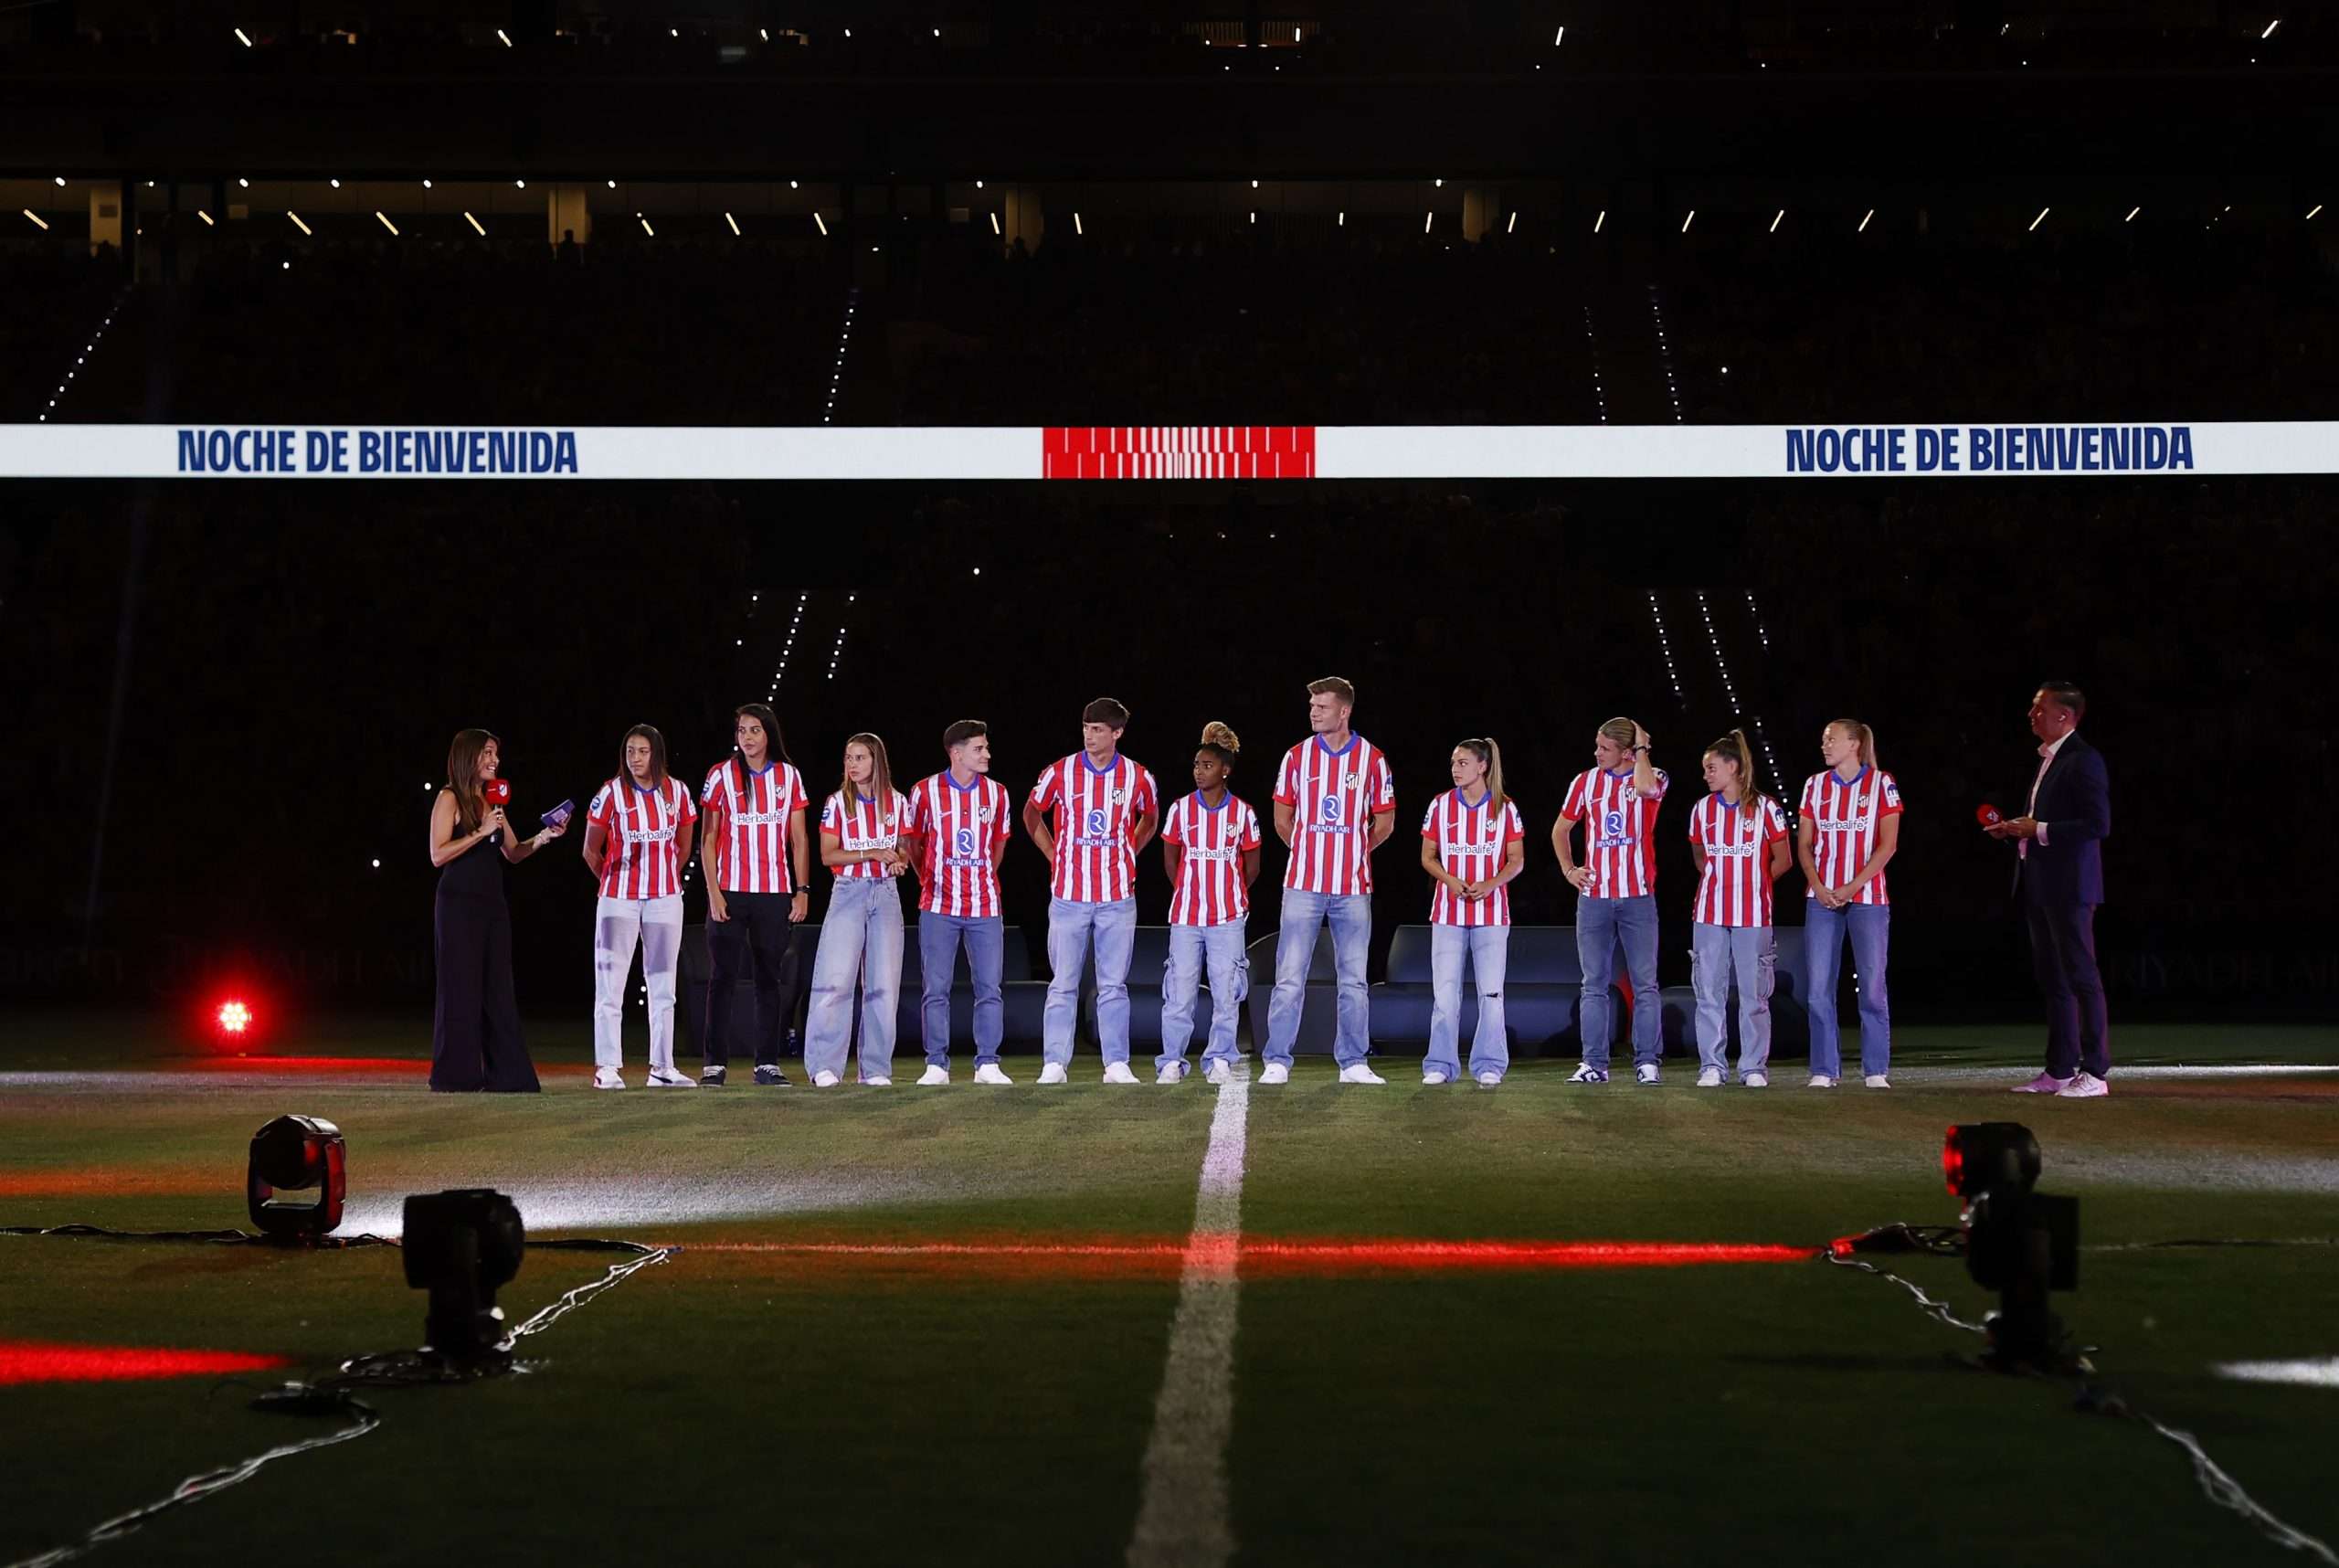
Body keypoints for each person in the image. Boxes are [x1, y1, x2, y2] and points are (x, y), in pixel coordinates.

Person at [1263, 677, 1398, 1086]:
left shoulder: (1372, 759)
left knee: (1354, 978)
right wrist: (1309, 851)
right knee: (1289, 976)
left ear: (1344, 711)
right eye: (1311, 706)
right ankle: (1277, 1060)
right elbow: (1282, 819)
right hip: (1302, 884)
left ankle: (1353, 1061)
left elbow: (1386, 822)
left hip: (1353, 888)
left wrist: (1353, 851)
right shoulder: (1296, 757)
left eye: (1321, 707)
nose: (1313, 712)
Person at [1985, 682, 2112, 1097]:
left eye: (2040, 708)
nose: (2031, 715)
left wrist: (2036, 828)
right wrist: (2015, 830)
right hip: (2042, 885)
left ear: (2065, 716)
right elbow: (2048, 823)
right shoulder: (2050, 760)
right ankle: (2059, 1069)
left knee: (2081, 976)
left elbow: (2098, 824)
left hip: (2071, 887)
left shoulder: (2083, 760)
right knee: (2054, 979)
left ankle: (2095, 1071)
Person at [1024, 698, 1159, 1085]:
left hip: (1117, 896)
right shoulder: (1060, 772)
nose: (1089, 735)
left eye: (1098, 729)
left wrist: (1129, 851)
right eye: (1086, 727)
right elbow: (1032, 813)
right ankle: (1055, 1063)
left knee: (1114, 985)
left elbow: (1150, 817)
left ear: (1117, 733)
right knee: (1063, 982)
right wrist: (1054, 854)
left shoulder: (1137, 776)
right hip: (1069, 894)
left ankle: (1116, 1062)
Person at [428, 728, 566, 1092]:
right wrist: (479, 831)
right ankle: (456, 1076)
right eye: (488, 753)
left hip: (492, 906)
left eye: (496, 755)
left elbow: (514, 852)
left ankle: (508, 1076)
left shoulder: (491, 801)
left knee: (497, 988)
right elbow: (438, 854)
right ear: (468, 756)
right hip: (458, 905)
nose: (495, 760)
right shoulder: (449, 797)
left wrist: (544, 836)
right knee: (460, 988)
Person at [698, 703, 810, 1087]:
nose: (747, 737)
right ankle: (714, 1064)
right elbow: (707, 838)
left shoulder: (789, 776)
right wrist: (713, 892)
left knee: (768, 978)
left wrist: (802, 891)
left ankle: (767, 1063)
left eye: (754, 730)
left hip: (774, 892)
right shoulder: (720, 775)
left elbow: (799, 839)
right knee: (722, 978)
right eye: (742, 730)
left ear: (768, 734)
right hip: (729, 890)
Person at [1553, 716, 1669, 1085]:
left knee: (1645, 982)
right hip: (1595, 899)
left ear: (1624, 751)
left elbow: (1648, 787)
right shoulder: (1585, 782)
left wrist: (1641, 749)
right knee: (1594, 983)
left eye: (1605, 748)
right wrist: (1570, 870)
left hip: (1637, 896)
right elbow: (1561, 829)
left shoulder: (1652, 776)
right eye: (1597, 746)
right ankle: (1594, 1063)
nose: (1597, 753)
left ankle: (1647, 1061)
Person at [581, 724, 698, 1089]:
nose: (635, 758)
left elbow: (683, 844)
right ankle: (608, 1067)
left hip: (665, 898)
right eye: (630, 751)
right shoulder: (610, 794)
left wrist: (662, 879)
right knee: (611, 983)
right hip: (619, 899)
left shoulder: (676, 792)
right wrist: (615, 883)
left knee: (663, 984)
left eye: (642, 751)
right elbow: (590, 850)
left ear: (656, 754)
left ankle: (662, 1068)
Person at [905, 720, 1016, 1086]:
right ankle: (936, 1063)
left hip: (985, 906)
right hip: (938, 905)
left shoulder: (998, 794)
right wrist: (930, 879)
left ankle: (988, 1063)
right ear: (956, 753)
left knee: (990, 988)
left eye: (986, 748)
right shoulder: (924, 792)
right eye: (979, 749)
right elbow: (915, 845)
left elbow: (998, 845)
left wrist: (980, 876)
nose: (987, 754)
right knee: (936, 989)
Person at [802, 733, 913, 1086]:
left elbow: (904, 849)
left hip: (886, 894)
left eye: (860, 758)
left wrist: (899, 862)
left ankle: (876, 1069)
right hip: (848, 891)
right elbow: (827, 855)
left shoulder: (897, 802)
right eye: (848, 758)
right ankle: (824, 1066)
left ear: (876, 761)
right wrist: (872, 854)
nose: (852, 765)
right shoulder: (837, 803)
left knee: (883, 984)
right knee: (835, 981)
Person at [1797, 719, 1902, 1089]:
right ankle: (1824, 1069)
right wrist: (1819, 885)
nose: (1825, 744)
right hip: (1821, 899)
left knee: (1872, 986)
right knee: (1818, 988)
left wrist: (1852, 886)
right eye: (1824, 738)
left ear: (1854, 744)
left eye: (1832, 739)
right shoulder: (1814, 785)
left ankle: (1875, 1069)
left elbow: (1887, 845)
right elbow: (1805, 845)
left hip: (1868, 899)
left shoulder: (1881, 784)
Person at [1157, 723, 1262, 1086]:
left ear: (1225, 770)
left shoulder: (1244, 814)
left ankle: (1220, 1057)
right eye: (1196, 765)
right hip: (1186, 917)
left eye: (1206, 765)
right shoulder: (1180, 809)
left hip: (1228, 918)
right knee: (1179, 991)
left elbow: (1252, 866)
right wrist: (1190, 890)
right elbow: (1171, 860)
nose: (1199, 771)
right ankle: (1171, 1060)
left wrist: (1227, 894)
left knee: (1226, 991)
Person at [1419, 738, 1527, 1087]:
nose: (1455, 768)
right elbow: (1428, 856)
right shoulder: (1440, 806)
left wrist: (1491, 883)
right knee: (1445, 994)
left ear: (1482, 766)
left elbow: (1516, 860)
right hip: (1447, 914)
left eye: (1463, 762)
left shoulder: (1505, 808)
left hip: (1491, 915)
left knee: (1491, 994)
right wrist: (1450, 880)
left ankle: (1490, 1064)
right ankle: (1440, 1064)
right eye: (1453, 762)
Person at [1688, 731, 1792, 1088]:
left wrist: (1754, 886)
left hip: (1753, 916)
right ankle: (1712, 1066)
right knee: (1709, 994)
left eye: (1711, 767)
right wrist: (1721, 881)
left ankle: (1752, 1068)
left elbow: (1783, 859)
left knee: (1754, 996)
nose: (1706, 774)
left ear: (1733, 767)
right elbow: (1700, 855)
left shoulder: (1767, 808)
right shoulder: (1701, 809)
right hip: (1710, 914)